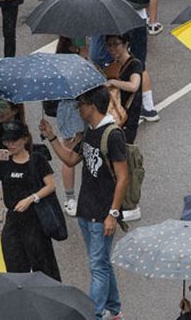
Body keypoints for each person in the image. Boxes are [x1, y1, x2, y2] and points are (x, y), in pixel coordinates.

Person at [42, 87, 128, 320]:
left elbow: (123, 177)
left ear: (92, 106)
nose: (78, 108)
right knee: (102, 264)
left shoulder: (113, 135)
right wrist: (51, 137)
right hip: (86, 211)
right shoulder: (88, 132)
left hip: (102, 214)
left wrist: (113, 213)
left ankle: (95, 314)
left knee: (98, 267)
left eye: (81, 103)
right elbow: (70, 159)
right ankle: (115, 307)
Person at [0, 121, 61, 280]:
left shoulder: (37, 159)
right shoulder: (4, 161)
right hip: (13, 221)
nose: (10, 145)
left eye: (14, 140)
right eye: (7, 141)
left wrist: (31, 199)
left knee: (44, 268)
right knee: (13, 268)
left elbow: (51, 186)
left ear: (24, 139)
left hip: (35, 221)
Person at [100, 34, 143, 147]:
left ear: (126, 44)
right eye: (109, 45)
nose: (112, 48)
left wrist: (114, 83)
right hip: (115, 115)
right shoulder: (114, 65)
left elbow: (134, 86)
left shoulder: (135, 64)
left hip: (128, 117)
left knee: (124, 151)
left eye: (116, 44)